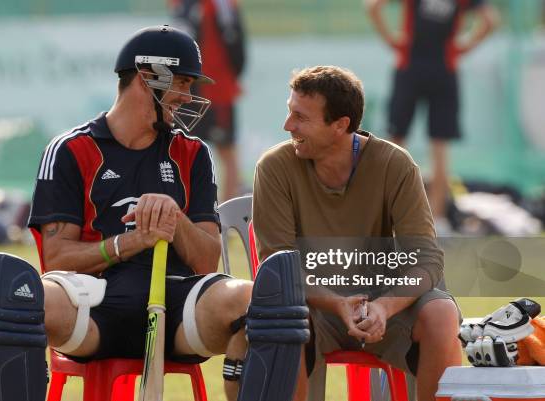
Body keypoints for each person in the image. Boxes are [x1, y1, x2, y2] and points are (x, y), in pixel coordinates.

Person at [25, 25, 251, 400]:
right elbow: (57, 258)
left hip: (179, 306)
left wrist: (173, 217)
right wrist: (128, 243)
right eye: (182, 82)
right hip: (94, 302)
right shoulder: (70, 149)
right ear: (148, 78)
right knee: (18, 294)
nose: (189, 96)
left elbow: (208, 259)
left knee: (261, 302)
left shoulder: (193, 153)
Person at [252, 66, 462, 401]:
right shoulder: (274, 166)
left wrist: (384, 307)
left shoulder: (396, 164)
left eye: (300, 117)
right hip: (314, 308)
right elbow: (278, 267)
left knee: (441, 314)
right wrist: (337, 304)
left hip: (384, 306)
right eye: (290, 112)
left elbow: (427, 260)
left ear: (340, 126)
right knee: (285, 317)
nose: (287, 125)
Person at [366, 0, 499, 234]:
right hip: (443, 70)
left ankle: (391, 219)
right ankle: (438, 222)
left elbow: (373, 7)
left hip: (411, 68)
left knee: (396, 145)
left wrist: (392, 40)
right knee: (439, 148)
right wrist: (464, 46)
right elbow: (490, 21)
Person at [169, 0, 247, 201]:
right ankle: (186, 209)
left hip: (214, 90)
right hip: (194, 89)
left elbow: (235, 44)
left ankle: (226, 213)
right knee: (182, 149)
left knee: (225, 151)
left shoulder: (220, 5)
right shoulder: (192, 5)